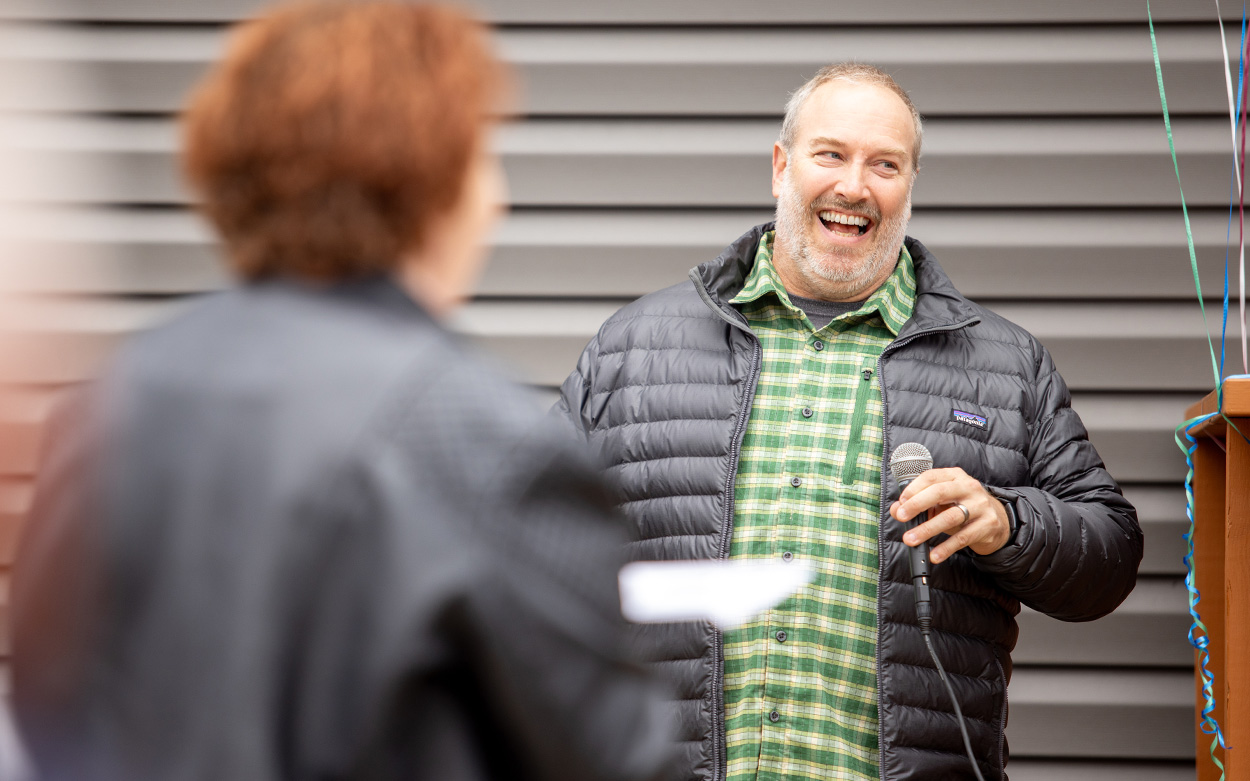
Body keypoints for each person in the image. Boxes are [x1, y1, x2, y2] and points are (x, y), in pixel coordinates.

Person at [10, 4, 671, 781]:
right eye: (484, 156)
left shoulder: (102, 409)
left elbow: (44, 707)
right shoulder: (476, 439)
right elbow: (616, 755)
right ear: (427, 173)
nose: (499, 200)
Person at [554, 63, 1142, 780]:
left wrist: (1010, 523)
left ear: (910, 187)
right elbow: (522, 540)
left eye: (884, 164)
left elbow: (1109, 557)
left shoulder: (1005, 364)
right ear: (781, 167)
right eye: (830, 154)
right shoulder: (633, 346)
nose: (854, 186)